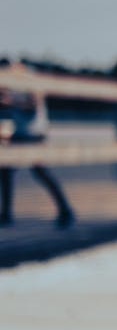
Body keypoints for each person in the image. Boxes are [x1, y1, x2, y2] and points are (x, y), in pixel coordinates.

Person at [0, 87, 75, 228]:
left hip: (34, 134)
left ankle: (66, 210)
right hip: (20, 134)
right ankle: (6, 214)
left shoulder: (31, 82)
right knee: (5, 171)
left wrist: (11, 102)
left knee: (41, 172)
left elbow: (33, 105)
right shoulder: (9, 86)